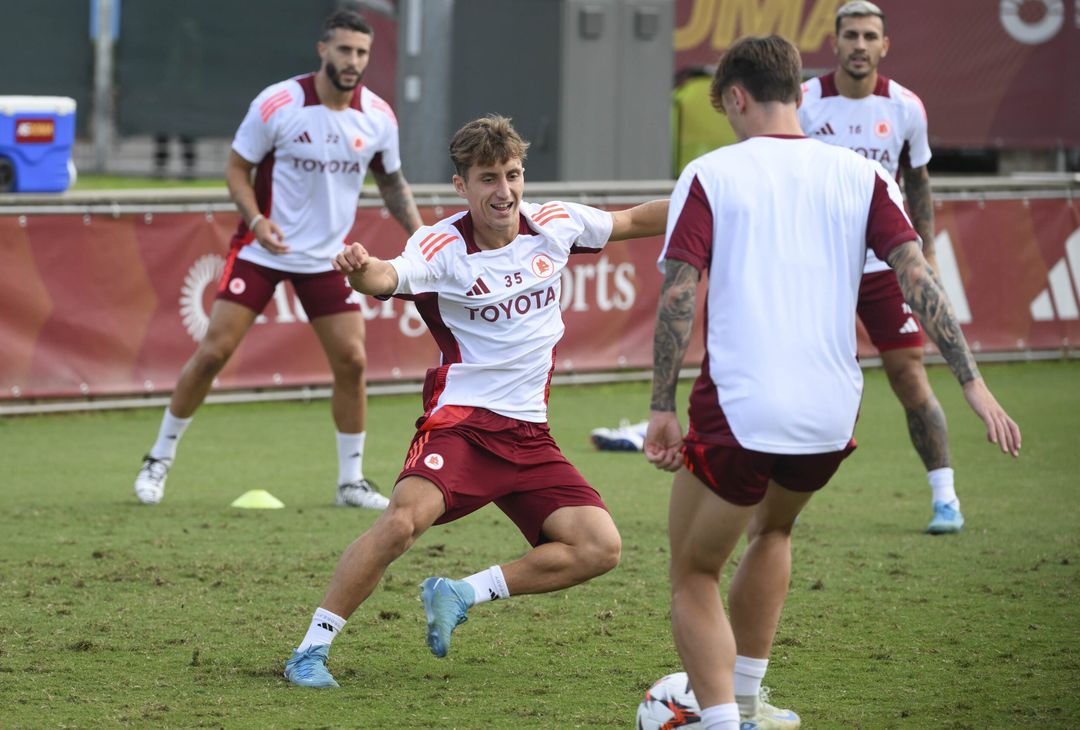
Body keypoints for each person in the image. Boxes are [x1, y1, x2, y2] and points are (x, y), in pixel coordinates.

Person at [644, 35, 1020, 730]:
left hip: (742, 407)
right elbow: (917, 276)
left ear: (736, 97)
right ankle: (748, 705)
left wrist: (661, 404)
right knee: (773, 532)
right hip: (829, 414)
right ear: (798, 90)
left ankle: (722, 723)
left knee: (693, 574)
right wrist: (971, 380)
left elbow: (678, 294)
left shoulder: (711, 173)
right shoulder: (862, 176)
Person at [281, 115, 669, 688]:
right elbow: (388, 276)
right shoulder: (442, 246)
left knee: (598, 547)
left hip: (530, 435)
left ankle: (461, 592)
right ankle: (309, 652)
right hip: (462, 426)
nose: (504, 191)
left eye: (512, 174)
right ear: (461, 185)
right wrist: (361, 272)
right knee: (401, 525)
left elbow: (633, 220)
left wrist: (706, 204)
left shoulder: (554, 224)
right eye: (488, 178)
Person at [133, 10, 422, 509]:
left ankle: (350, 482)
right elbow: (236, 168)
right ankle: (157, 459)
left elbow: (392, 183)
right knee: (213, 354)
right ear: (323, 50)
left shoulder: (378, 116)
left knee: (353, 361)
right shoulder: (278, 103)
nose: (353, 61)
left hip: (329, 259)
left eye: (362, 53)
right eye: (344, 50)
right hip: (262, 250)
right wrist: (256, 220)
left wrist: (422, 240)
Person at [797, 1, 961, 534]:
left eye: (870, 36)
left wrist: (928, 255)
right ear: (835, 42)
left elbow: (918, 182)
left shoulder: (907, 107)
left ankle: (945, 497)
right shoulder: (803, 102)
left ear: (885, 45)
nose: (860, 45)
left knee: (909, 375)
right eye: (851, 35)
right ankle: (771, 493)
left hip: (885, 265)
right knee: (799, 375)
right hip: (819, 267)